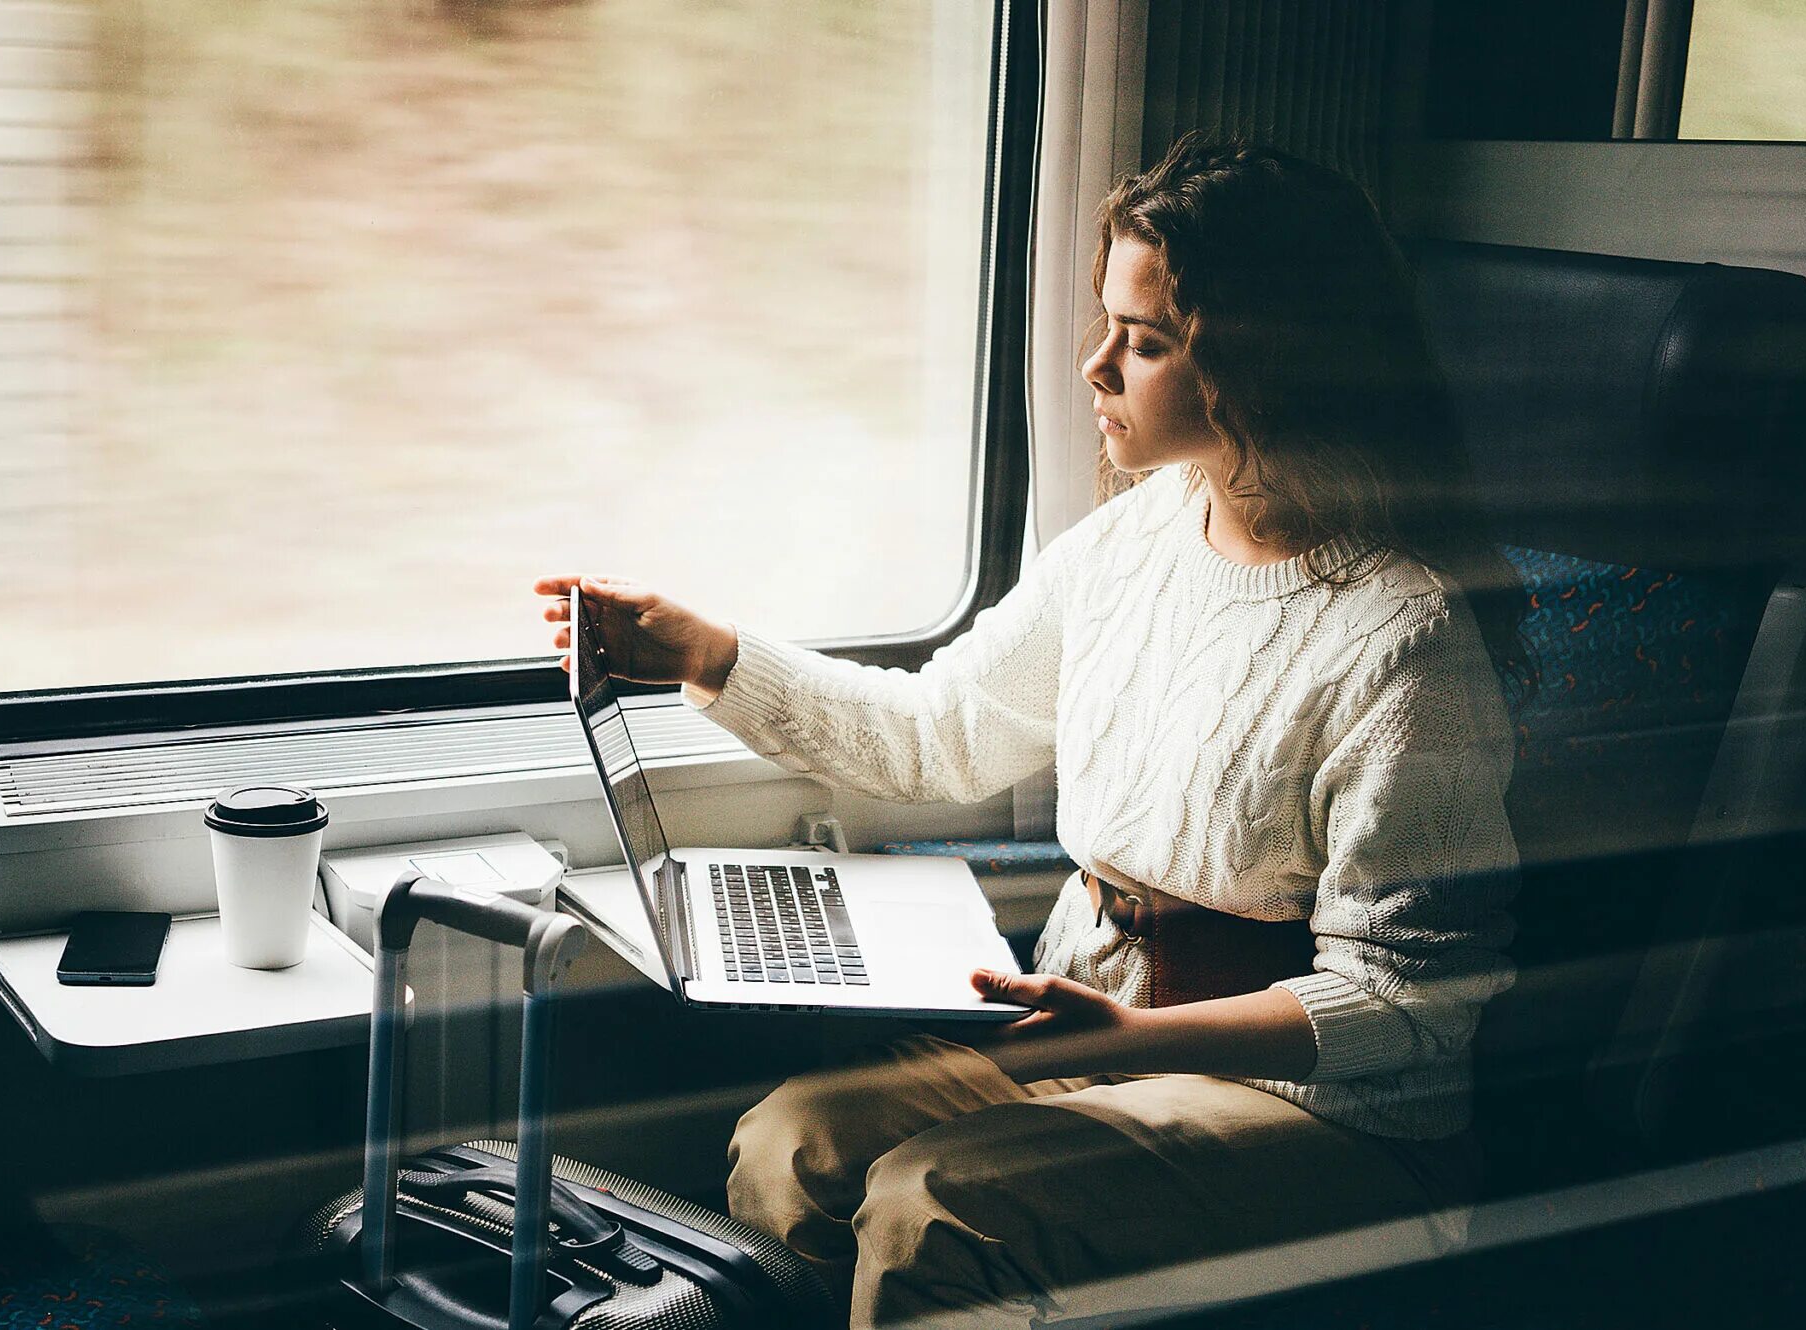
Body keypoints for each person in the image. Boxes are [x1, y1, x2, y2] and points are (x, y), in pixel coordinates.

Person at [534, 133, 1531, 1329]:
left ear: (1266, 367)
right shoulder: (1137, 538)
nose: (1092, 367)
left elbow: (1410, 1002)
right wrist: (712, 657)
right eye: (1107, 324)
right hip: (1099, 1028)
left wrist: (1131, 1040)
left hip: (1324, 1113)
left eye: (1145, 342)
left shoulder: (1402, 637)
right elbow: (940, 732)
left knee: (931, 1202)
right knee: (789, 1142)